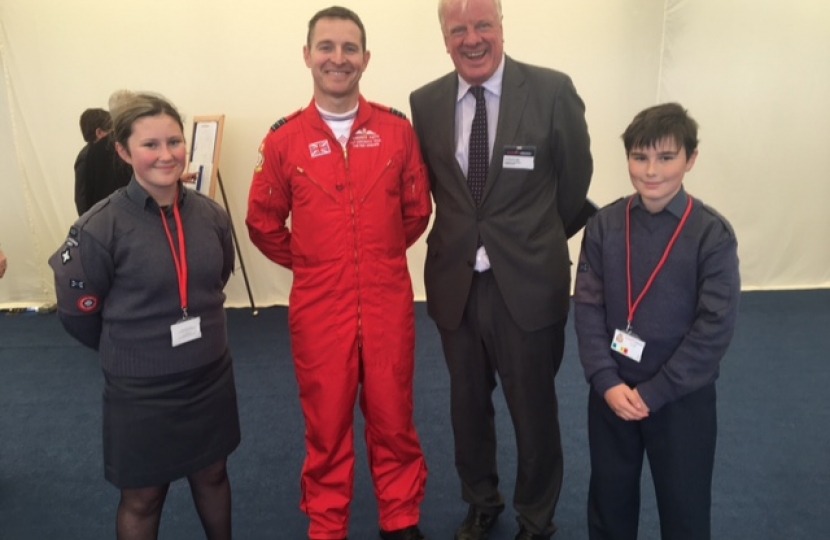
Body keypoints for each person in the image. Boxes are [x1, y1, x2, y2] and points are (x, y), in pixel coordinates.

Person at [246, 6, 431, 540]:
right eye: (326, 47)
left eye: (350, 48)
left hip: (386, 303)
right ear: (307, 56)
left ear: (366, 59)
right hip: (318, 308)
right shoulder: (283, 141)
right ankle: (327, 525)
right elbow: (261, 222)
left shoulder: (397, 132)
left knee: (394, 419)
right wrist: (313, 261)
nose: (337, 58)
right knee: (326, 426)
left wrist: (375, 258)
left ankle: (400, 517)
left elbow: (417, 212)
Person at [409, 1, 593, 539]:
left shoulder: (552, 90)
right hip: (456, 283)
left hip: (528, 281)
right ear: (444, 37)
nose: (472, 39)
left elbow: (575, 180)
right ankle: (481, 500)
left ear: (501, 29)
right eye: (458, 29)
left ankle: (537, 517)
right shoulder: (425, 102)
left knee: (532, 407)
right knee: (466, 404)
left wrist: (530, 238)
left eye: (482, 25)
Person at [49, 92, 240, 540]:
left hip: (209, 377)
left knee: (213, 478)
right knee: (143, 498)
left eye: (174, 142)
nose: (166, 154)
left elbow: (217, 278)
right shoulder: (100, 227)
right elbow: (78, 314)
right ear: (123, 151)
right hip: (142, 391)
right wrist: (135, 347)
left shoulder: (211, 215)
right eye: (150, 145)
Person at [573, 103, 740, 540]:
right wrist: (605, 381)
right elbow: (588, 307)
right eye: (639, 157)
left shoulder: (710, 234)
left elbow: (714, 327)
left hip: (681, 400)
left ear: (691, 160)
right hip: (612, 393)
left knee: (684, 510)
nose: (651, 171)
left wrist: (656, 391)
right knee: (609, 505)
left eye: (666, 158)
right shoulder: (605, 225)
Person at [74, 107, 132, 215]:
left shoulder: (90, 154)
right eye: (110, 130)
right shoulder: (86, 156)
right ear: (99, 132)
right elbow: (81, 198)